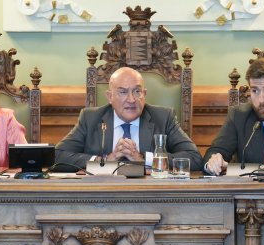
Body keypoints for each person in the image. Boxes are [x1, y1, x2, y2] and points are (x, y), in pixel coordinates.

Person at [55, 67, 202, 172]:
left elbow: (194, 158)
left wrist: (142, 158)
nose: (131, 99)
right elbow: (58, 156)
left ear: (144, 94)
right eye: (123, 92)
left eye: (137, 92)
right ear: (109, 97)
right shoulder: (90, 118)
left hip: (151, 195)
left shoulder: (163, 118)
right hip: (102, 194)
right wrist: (105, 161)